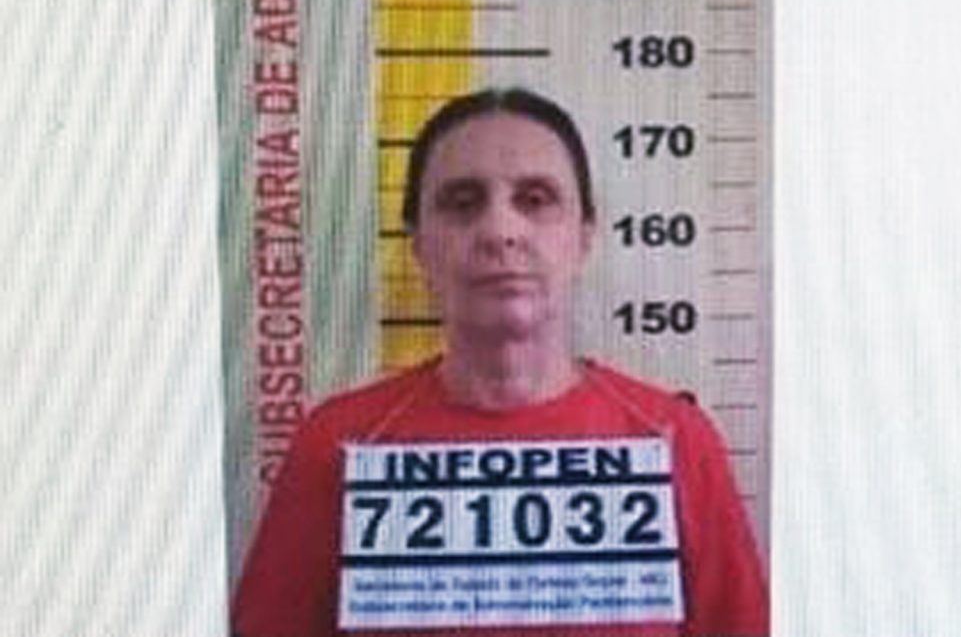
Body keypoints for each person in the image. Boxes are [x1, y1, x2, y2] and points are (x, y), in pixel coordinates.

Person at [232, 88, 768, 637]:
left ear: (584, 236)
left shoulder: (675, 441)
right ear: (418, 245)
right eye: (463, 203)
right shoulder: (339, 444)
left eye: (535, 199)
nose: (500, 231)